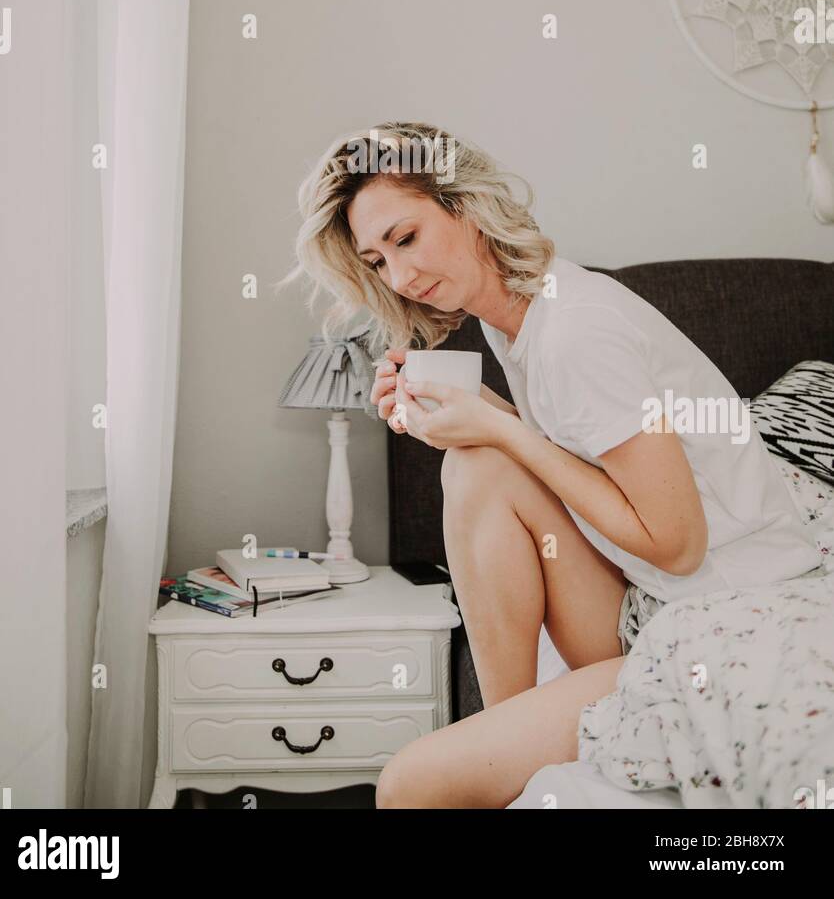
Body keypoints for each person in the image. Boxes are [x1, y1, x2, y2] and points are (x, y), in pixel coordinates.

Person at [277, 120, 823, 809]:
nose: (402, 276)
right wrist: (482, 415)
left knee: (412, 786)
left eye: (406, 238)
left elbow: (678, 546)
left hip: (723, 604)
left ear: (465, 205)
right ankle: (503, 747)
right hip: (661, 596)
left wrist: (502, 435)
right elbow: (582, 459)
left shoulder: (575, 332)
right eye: (379, 261)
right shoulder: (525, 316)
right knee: (473, 464)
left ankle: (496, 754)